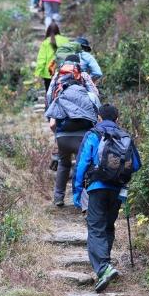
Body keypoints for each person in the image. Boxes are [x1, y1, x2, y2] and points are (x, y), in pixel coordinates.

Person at [73, 104, 141, 293]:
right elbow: (136, 164)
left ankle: (103, 268)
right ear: (117, 119)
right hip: (117, 189)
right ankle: (106, 264)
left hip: (96, 187)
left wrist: (77, 192)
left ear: (99, 118)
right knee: (108, 226)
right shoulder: (125, 136)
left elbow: (82, 164)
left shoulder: (94, 134)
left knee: (95, 227)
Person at [45, 57, 100, 207]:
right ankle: (83, 201)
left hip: (63, 136)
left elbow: (51, 124)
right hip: (83, 136)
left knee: (63, 164)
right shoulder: (86, 92)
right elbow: (96, 103)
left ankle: (58, 198)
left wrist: (58, 135)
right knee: (83, 166)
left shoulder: (60, 92)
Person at [35, 22, 69, 92]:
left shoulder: (45, 43)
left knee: (50, 94)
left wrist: (37, 74)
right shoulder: (65, 40)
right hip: (63, 72)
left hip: (49, 74)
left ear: (48, 31)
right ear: (58, 30)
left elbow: (42, 60)